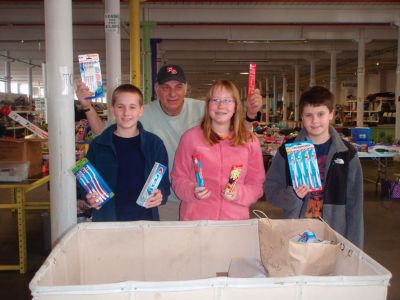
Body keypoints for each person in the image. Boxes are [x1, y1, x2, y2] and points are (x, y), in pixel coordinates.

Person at [76, 64, 262, 220]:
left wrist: (251, 115)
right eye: (165, 87)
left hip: (183, 202)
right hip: (166, 204)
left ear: (186, 88)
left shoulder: (204, 109)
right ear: (156, 89)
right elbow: (103, 132)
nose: (172, 93)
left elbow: (235, 134)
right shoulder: (143, 112)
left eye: (178, 86)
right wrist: (86, 106)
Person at [264, 86, 363, 248]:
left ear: (331, 114)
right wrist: (293, 196)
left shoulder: (347, 153)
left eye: (321, 114)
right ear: (301, 117)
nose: (315, 121)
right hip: (296, 234)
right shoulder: (288, 151)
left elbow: (355, 205)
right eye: (309, 115)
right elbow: (270, 190)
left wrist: (355, 247)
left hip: (335, 233)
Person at [171, 80, 265, 220]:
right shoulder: (190, 138)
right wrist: (192, 190)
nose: (221, 105)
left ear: (235, 106)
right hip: (196, 222)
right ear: (208, 105)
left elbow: (256, 185)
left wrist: (239, 193)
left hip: (235, 223)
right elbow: (178, 179)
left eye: (227, 100)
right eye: (215, 100)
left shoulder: (249, 142)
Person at [83, 84, 170, 221]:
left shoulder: (154, 145)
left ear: (141, 110)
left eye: (132, 107)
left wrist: (161, 195)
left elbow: (164, 184)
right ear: (112, 109)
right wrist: (88, 197)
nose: (126, 113)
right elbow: (85, 183)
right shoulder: (99, 145)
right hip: (107, 222)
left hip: (145, 222)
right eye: (120, 107)